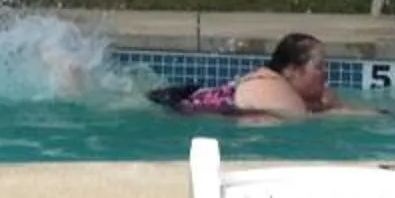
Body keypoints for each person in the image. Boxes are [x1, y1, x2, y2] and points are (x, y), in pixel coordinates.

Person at [150, 32, 361, 119]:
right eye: (319, 66)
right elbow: (301, 119)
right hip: (180, 106)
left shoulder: (283, 88)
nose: (326, 73)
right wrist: (331, 110)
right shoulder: (278, 93)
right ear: (292, 71)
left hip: (189, 95)